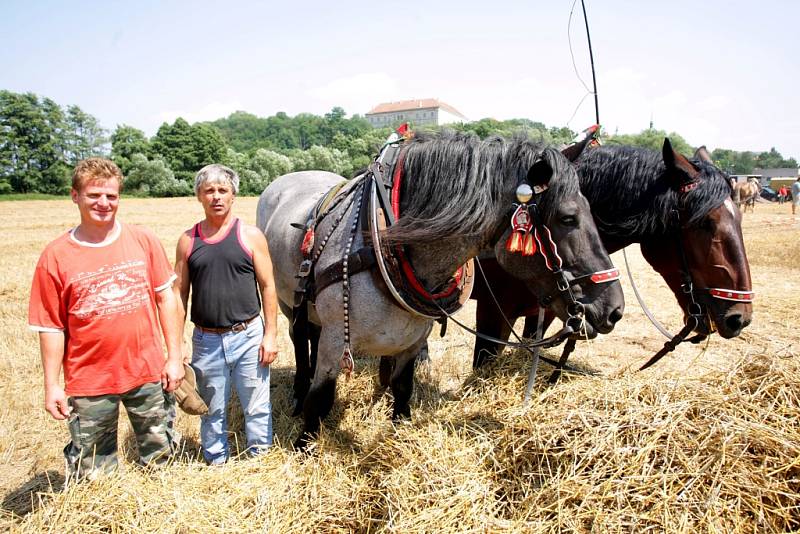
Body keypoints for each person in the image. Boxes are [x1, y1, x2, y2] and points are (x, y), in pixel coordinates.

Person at [28, 158, 184, 482]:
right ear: (75, 196)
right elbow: (51, 327)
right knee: (95, 473)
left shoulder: (143, 240)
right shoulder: (55, 256)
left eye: (111, 196)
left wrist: (175, 358)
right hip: (90, 382)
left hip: (148, 373)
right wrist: (51, 384)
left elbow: (166, 298)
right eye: (94, 195)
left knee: (162, 459)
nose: (104, 203)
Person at [174, 164, 278, 464]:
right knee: (211, 408)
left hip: (248, 335)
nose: (216, 196)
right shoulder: (188, 241)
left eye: (222, 190)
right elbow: (179, 295)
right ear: (198, 196)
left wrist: (269, 335)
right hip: (206, 341)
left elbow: (268, 286)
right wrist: (177, 342)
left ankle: (260, 460)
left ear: (233, 195)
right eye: (209, 191)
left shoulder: (250, 236)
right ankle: (216, 461)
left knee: (256, 406)